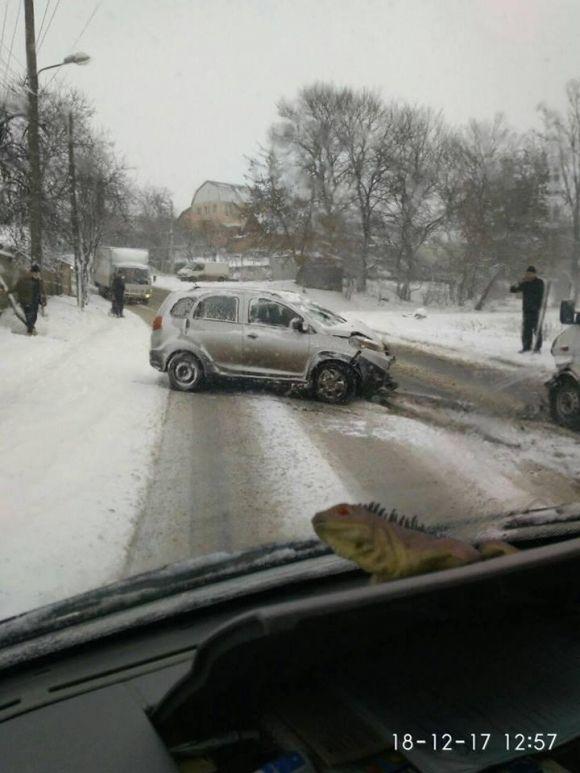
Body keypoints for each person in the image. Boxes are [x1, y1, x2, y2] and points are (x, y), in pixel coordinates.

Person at [0, 263, 46, 335]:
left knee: (34, 317)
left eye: (38, 273)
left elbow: (42, 292)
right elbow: (15, 288)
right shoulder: (23, 280)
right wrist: (6, 292)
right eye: (35, 273)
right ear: (31, 272)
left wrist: (43, 300)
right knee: (29, 317)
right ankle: (30, 332)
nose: (36, 274)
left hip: (35, 302)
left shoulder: (39, 281)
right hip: (26, 302)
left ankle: (31, 329)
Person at [509, 265, 545, 353]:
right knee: (526, 329)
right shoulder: (525, 283)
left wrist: (536, 306)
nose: (529, 275)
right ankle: (526, 347)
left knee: (537, 328)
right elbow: (513, 290)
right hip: (526, 309)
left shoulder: (539, 282)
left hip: (536, 309)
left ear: (534, 274)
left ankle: (537, 347)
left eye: (530, 273)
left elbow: (539, 294)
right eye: (527, 273)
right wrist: (519, 282)